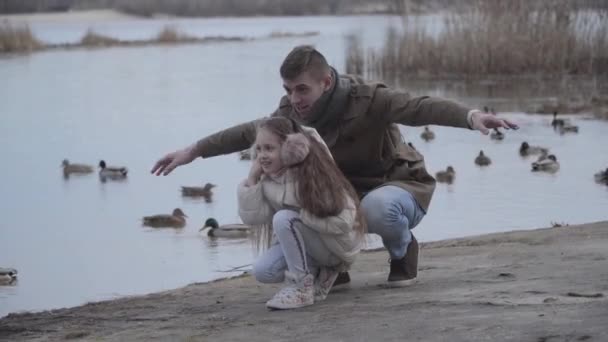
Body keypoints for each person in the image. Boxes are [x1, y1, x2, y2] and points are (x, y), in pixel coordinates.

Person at [151, 45, 518, 286]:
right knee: (284, 244)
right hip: (339, 200)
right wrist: (193, 150)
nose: (293, 99)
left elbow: (421, 106)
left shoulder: (370, 98)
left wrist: (471, 117)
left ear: (326, 82)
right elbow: (248, 131)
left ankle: (403, 250)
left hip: (395, 186)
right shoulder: (289, 113)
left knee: (378, 209)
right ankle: (333, 265)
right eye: (288, 89)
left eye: (301, 89)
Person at [238, 117, 365, 309]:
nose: (262, 156)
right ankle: (317, 274)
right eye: (259, 149)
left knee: (284, 219)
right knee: (263, 271)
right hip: (308, 245)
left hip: (334, 247)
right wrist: (252, 180)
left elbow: (344, 222)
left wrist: (300, 217)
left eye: (269, 148)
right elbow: (254, 218)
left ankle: (301, 287)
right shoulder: (269, 179)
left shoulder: (314, 175)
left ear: (290, 149)